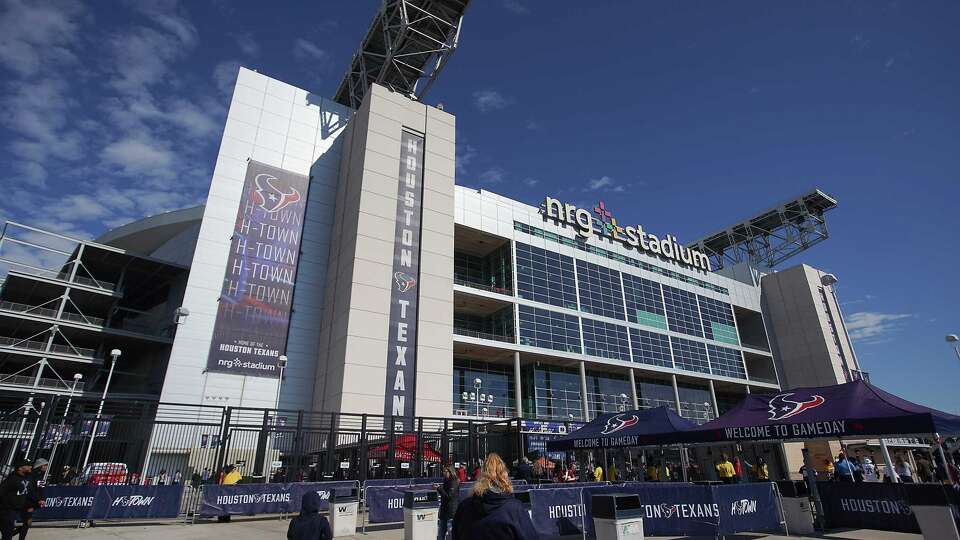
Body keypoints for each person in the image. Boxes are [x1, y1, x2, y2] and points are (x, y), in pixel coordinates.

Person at [451, 453, 537, 540]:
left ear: (481, 475)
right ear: (504, 475)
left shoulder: (464, 507)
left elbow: (455, 535)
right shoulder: (514, 509)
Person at [0, 460, 32, 540]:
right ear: (20, 468)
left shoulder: (27, 479)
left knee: (8, 533)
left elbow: (26, 495)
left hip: (16, 511)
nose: (30, 467)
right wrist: (6, 506)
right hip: (7, 511)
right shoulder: (12, 479)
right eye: (27, 465)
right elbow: (1, 492)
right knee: (7, 534)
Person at [17, 459, 45, 540]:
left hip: (33, 501)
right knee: (27, 522)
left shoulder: (40, 476)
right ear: (41, 466)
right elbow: (30, 490)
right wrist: (38, 499)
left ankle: (9, 535)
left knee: (27, 523)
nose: (46, 467)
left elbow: (41, 489)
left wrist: (42, 498)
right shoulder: (31, 475)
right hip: (28, 501)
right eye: (45, 465)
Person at [436, 466, 460, 540]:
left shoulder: (454, 481)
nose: (443, 473)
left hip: (451, 512)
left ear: (450, 472)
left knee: (450, 534)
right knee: (440, 534)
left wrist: (439, 488)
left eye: (445, 471)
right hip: (444, 512)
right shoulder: (446, 480)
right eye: (443, 471)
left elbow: (449, 496)